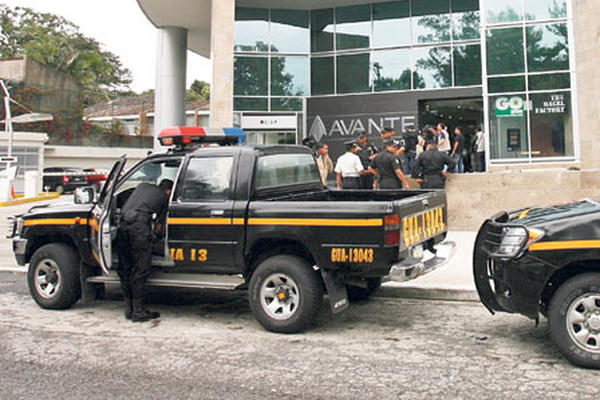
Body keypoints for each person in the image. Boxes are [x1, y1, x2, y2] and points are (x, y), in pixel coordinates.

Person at [116, 179, 173, 322]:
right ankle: (138, 311)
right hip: (139, 229)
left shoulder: (142, 187)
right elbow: (159, 227)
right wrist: (154, 237)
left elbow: (122, 198)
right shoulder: (164, 197)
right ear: (169, 191)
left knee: (125, 268)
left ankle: (129, 309)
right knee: (140, 269)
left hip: (122, 226)